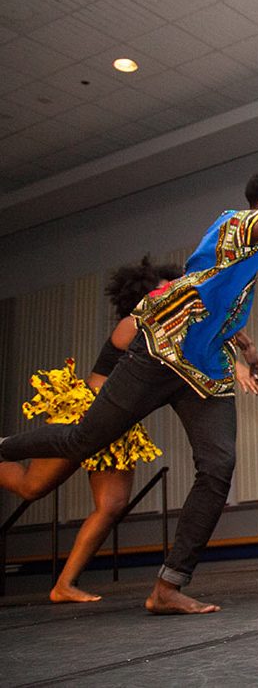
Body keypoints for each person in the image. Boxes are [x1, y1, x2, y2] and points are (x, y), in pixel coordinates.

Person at [0, 133, 258, 612]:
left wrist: (247, 347)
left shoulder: (252, 254)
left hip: (206, 371)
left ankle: (167, 586)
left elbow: (219, 301)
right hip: (161, 353)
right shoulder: (235, 223)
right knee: (81, 441)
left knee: (217, 467)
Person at [1, 257, 185, 603]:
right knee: (31, 487)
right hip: (85, 415)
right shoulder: (133, 324)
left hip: (118, 425)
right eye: (166, 291)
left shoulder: (171, 329)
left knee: (112, 505)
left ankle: (63, 585)